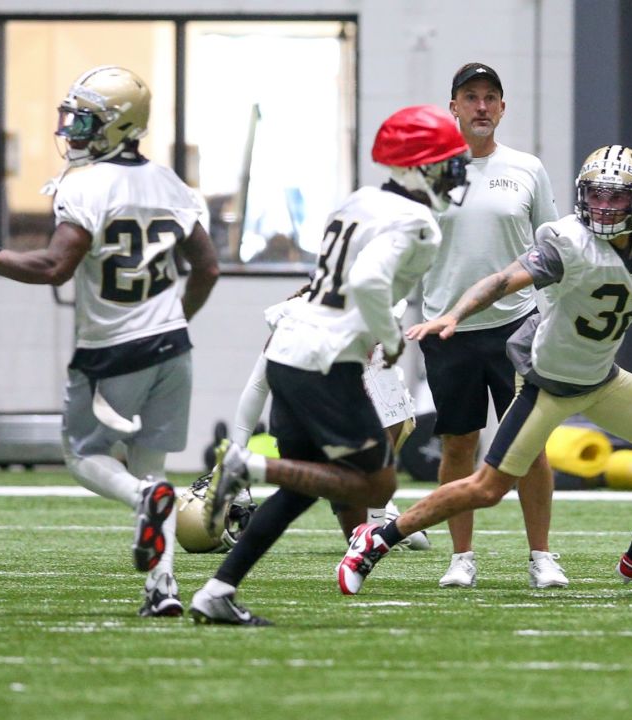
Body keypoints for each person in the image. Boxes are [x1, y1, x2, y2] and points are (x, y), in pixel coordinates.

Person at [335, 145, 632, 595]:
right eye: (596, 196)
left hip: (603, 379)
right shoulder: (568, 242)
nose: (604, 207)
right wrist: (455, 314)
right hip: (546, 385)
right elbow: (503, 280)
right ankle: (377, 540)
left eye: (616, 197)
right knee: (488, 488)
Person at [189, 104, 471, 625]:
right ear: (417, 166)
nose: (456, 171)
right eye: (446, 161)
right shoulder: (417, 222)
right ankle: (246, 466)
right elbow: (367, 282)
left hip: (290, 350)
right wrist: (389, 339)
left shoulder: (359, 202)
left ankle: (216, 591)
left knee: (303, 485)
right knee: (378, 484)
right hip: (326, 362)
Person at [0, 65, 220, 617]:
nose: (73, 128)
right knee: (153, 468)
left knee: (84, 455)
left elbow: (52, 267)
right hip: (172, 348)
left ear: (119, 124)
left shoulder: (86, 184)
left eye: (86, 118)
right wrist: (174, 320)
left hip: (113, 348)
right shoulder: (170, 183)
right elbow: (207, 268)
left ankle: (143, 503)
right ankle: (162, 588)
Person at [419, 62, 564, 589]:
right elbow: (409, 250)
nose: (481, 106)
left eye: (490, 98)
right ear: (453, 106)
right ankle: (461, 557)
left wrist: (555, 317)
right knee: (459, 443)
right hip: (446, 330)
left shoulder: (527, 168)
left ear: (502, 108)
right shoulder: (431, 170)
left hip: (517, 329)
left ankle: (542, 556)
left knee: (529, 446)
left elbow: (552, 247)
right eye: (470, 97)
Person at [222, 284, 431, 550]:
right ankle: (245, 468)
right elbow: (258, 385)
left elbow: (389, 429)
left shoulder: (375, 354)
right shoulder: (301, 323)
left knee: (392, 414)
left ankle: (376, 521)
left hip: (333, 427)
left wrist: (379, 502)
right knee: (301, 492)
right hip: (306, 417)